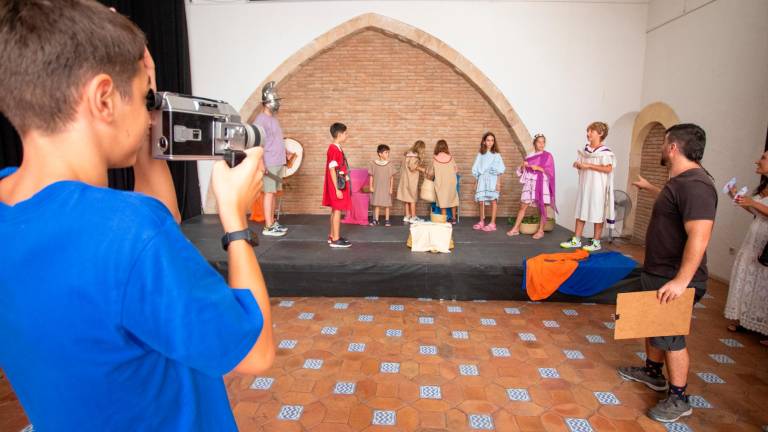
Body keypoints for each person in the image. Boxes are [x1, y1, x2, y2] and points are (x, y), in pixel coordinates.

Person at [0, 1, 274, 430]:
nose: (149, 113)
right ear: (103, 97)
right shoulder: (130, 233)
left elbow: (148, 268)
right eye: (145, 97)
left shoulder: (17, 206)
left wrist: (143, 100)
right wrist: (235, 221)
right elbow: (254, 352)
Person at [618, 123, 717, 423]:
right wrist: (650, 188)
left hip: (676, 277)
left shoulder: (696, 185)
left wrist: (681, 282)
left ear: (673, 147)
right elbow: (675, 205)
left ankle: (679, 397)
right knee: (654, 322)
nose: (662, 149)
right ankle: (652, 372)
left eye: (664, 144)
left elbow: (700, 236)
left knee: (671, 334)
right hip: (660, 270)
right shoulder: (682, 182)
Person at [724, 150, 768, 346]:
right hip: (754, 236)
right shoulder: (764, 187)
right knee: (750, 275)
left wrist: (752, 202)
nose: (757, 160)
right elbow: (755, 210)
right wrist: (737, 197)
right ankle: (747, 319)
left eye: (764, 158)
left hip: (766, 241)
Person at [561, 122, 615, 252]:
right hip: (585, 185)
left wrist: (589, 166)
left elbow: (608, 169)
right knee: (581, 210)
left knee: (597, 213)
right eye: (588, 131)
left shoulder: (605, 152)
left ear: (600, 133)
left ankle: (596, 242)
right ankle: (576, 240)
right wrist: (578, 165)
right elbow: (584, 166)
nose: (588, 133)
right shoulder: (585, 150)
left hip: (598, 187)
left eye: (591, 131)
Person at [255, 81, 292, 237]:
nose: (277, 103)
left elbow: (276, 139)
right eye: (275, 100)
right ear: (267, 101)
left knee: (274, 193)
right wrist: (261, 163)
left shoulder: (274, 120)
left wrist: (286, 151)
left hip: (278, 161)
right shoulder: (260, 120)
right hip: (269, 162)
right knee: (269, 193)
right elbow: (258, 144)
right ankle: (268, 226)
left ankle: (272, 222)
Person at [508, 133, 556, 239]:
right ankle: (516, 228)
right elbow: (521, 171)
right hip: (530, 183)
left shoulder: (548, 156)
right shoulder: (529, 156)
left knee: (542, 207)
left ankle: (541, 231)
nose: (542, 144)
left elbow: (550, 172)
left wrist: (538, 168)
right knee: (523, 206)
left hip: (541, 182)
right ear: (534, 143)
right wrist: (522, 166)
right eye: (539, 142)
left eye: (543, 142)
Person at [322, 122, 352, 247]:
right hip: (337, 185)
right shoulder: (334, 149)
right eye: (345, 133)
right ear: (339, 134)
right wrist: (337, 189)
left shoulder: (336, 147)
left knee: (335, 210)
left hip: (339, 182)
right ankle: (335, 239)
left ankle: (332, 235)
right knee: (338, 210)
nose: (347, 135)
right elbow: (332, 170)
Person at [472, 132, 506, 232]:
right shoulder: (480, 155)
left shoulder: (497, 155)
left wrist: (498, 183)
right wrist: (476, 182)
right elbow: (477, 169)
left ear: (494, 142)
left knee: (493, 200)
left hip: (493, 179)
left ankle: (492, 223)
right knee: (481, 200)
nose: (490, 142)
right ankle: (481, 221)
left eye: (492, 140)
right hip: (482, 179)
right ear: (484, 142)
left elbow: (500, 170)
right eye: (488, 140)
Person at [427, 139, 459, 222]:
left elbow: (431, 173)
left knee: (442, 200)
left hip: (440, 183)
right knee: (453, 199)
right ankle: (454, 219)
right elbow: (456, 170)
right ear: (446, 147)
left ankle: (444, 220)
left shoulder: (434, 158)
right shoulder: (451, 158)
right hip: (451, 182)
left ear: (437, 147)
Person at [396, 140, 426, 223]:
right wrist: (422, 169)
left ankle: (407, 216)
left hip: (405, 178)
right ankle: (413, 217)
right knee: (412, 198)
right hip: (411, 179)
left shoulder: (407, 155)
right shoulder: (414, 156)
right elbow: (412, 166)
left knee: (407, 198)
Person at [368, 144, 396, 227]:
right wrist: (370, 186)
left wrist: (391, 188)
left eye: (388, 153)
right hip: (377, 187)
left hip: (386, 187)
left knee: (387, 204)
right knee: (376, 203)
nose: (388, 154)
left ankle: (387, 220)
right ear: (380, 154)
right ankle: (375, 220)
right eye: (386, 152)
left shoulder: (389, 164)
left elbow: (391, 177)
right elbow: (371, 176)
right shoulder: (373, 163)